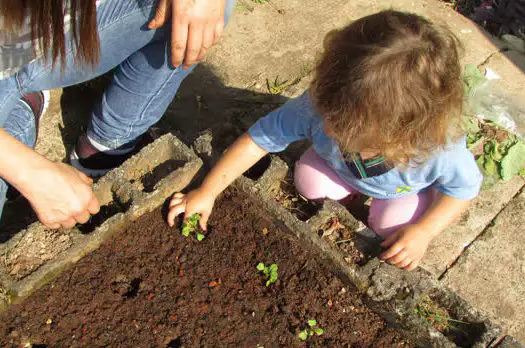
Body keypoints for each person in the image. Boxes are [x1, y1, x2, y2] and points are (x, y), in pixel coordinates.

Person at [167, 10, 482, 271]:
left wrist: (424, 232)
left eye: (345, 131)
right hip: (341, 170)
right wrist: (208, 191)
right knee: (308, 181)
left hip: (400, 193)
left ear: (402, 136)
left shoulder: (438, 149)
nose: (327, 129)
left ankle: (385, 211)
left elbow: (461, 191)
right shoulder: (321, 104)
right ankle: (349, 199)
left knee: (392, 226)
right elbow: (258, 140)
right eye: (329, 118)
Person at [0, 0, 235, 229]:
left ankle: (102, 147)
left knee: (205, 11)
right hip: (8, 49)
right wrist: (28, 172)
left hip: (42, 33)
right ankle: (21, 111)